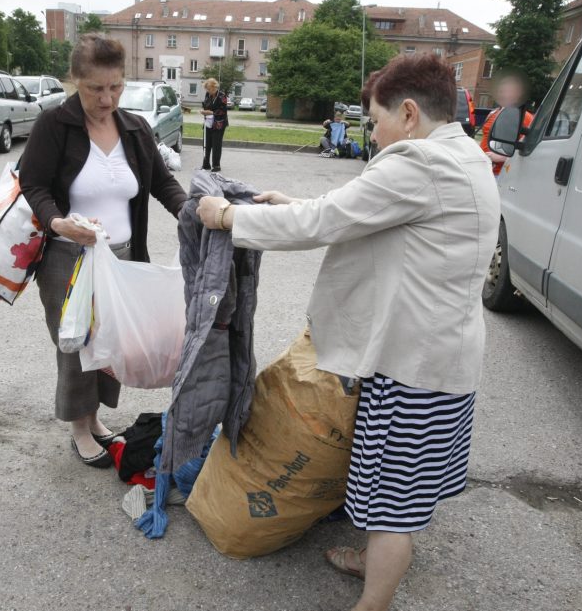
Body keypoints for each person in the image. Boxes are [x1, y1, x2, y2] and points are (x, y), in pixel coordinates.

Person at [196, 54, 499, 611]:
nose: (373, 135)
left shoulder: (418, 164)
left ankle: (373, 600)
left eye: (376, 121)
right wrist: (294, 202)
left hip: (415, 369)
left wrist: (225, 217)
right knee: (398, 490)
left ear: (408, 114)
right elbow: (357, 213)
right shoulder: (461, 153)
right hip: (438, 359)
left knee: (392, 506)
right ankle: (373, 560)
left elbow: (323, 224)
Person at [20, 34, 187, 468]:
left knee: (112, 342)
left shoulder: (133, 127)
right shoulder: (54, 125)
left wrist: (191, 212)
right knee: (76, 342)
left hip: (122, 257)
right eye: (96, 88)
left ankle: (94, 418)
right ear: (75, 81)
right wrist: (57, 221)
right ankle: (80, 425)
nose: (107, 97)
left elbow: (163, 183)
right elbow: (32, 184)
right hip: (67, 258)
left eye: (115, 86)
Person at [481, 72, 534, 178]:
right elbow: (485, 138)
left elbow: (529, 150)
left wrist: (500, 157)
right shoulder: (493, 113)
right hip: (483, 170)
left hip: (501, 174)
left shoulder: (525, 117)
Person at [200, 78, 229, 172]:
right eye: (207, 89)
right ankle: (206, 164)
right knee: (206, 143)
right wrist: (204, 111)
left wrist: (211, 112)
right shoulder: (207, 94)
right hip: (208, 122)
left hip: (219, 123)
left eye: (209, 89)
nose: (208, 91)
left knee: (216, 144)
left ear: (214, 87)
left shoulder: (222, 96)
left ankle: (216, 165)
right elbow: (206, 105)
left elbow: (223, 110)